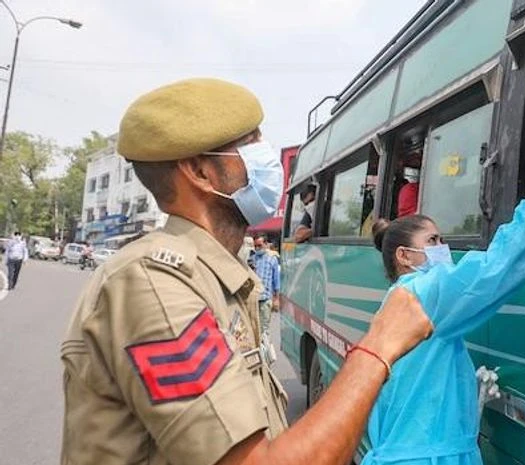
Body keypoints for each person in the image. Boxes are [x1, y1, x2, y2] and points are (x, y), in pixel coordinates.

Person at [61, 78, 433, 465]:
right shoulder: (154, 286)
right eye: (250, 146)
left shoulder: (220, 272)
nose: (268, 160)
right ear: (200, 172)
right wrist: (379, 346)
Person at [365, 96, 525, 465]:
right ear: (404, 256)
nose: (443, 249)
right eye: (432, 241)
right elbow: (499, 265)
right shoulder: (423, 293)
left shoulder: (397, 300)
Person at [252, 235, 280, 361]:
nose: (258, 248)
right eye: (256, 246)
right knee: (254, 329)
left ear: (266, 244)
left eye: (260, 245)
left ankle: (267, 358)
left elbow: (276, 282)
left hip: (265, 299)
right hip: (253, 300)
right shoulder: (252, 259)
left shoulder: (272, 259)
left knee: (264, 330)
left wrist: (276, 299)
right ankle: (258, 356)